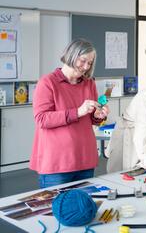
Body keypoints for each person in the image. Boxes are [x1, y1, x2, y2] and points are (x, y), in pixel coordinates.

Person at [30, 38, 110, 188]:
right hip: (57, 162)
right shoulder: (47, 83)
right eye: (83, 60)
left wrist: (98, 116)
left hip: (85, 158)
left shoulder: (89, 83)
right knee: (57, 208)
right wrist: (77, 112)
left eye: (90, 63)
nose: (86, 66)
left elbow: (91, 119)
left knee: (84, 207)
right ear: (71, 56)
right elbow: (42, 119)